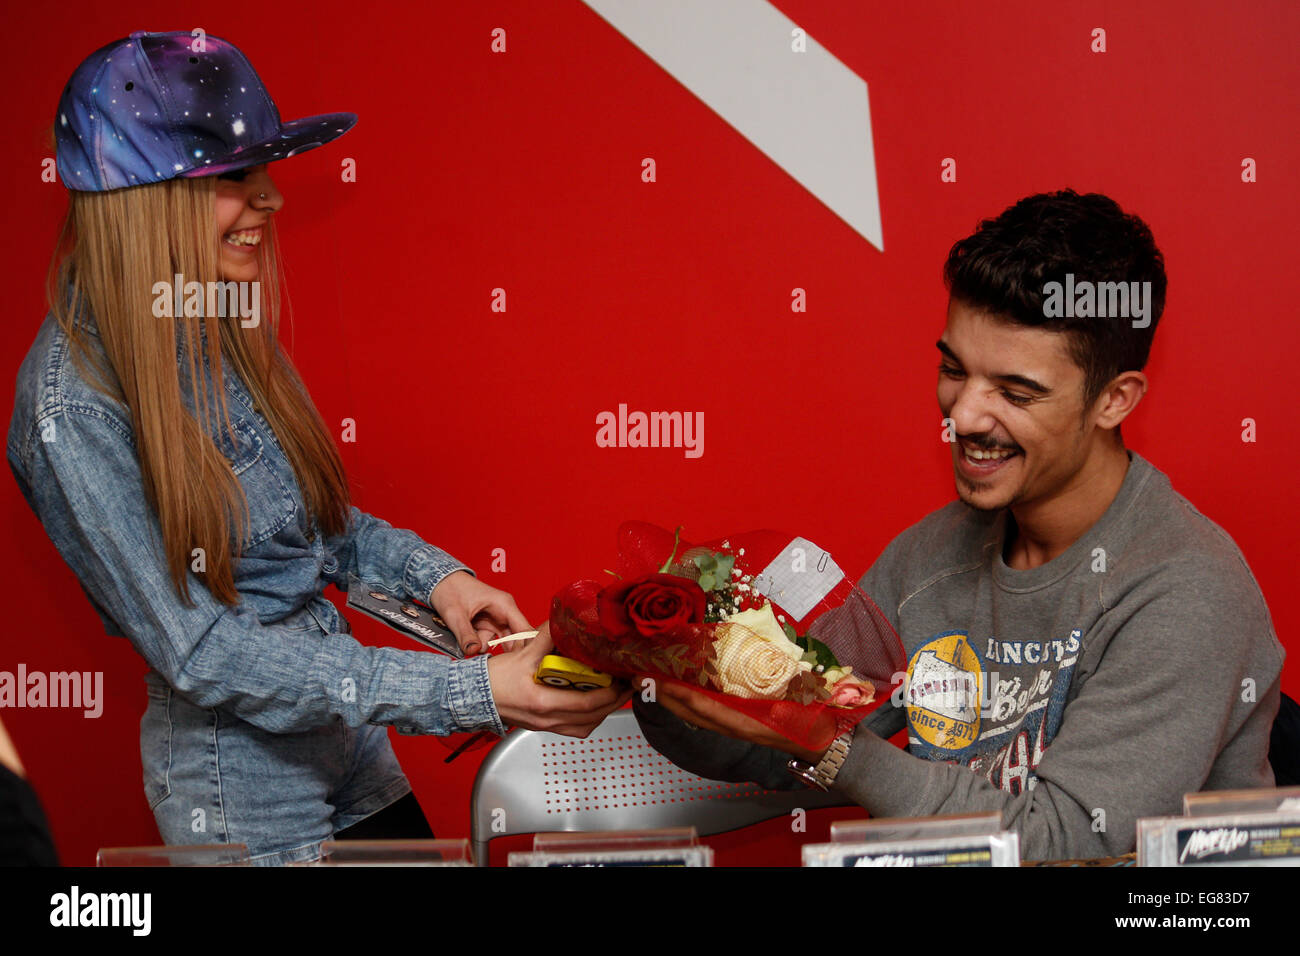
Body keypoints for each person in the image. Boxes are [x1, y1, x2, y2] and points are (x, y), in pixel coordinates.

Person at [7, 30, 629, 866]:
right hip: (244, 791)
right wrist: (466, 690)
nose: (272, 201)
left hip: (347, 738)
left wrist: (440, 582)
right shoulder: (69, 408)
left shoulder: (207, 314)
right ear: (144, 200)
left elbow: (318, 530)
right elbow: (205, 653)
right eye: (236, 178)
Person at [634, 190, 1285, 861]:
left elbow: (1064, 843)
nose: (966, 416)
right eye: (954, 370)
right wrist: (656, 668)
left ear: (1114, 400)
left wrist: (834, 752)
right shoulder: (931, 556)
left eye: (1015, 392)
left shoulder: (1186, 589)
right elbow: (769, 741)